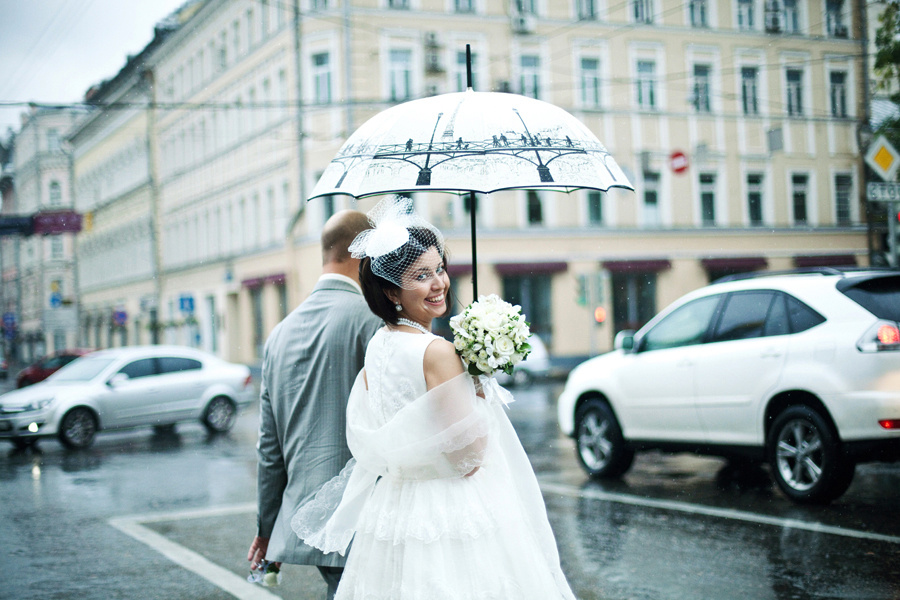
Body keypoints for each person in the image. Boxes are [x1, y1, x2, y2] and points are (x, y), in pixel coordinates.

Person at [291, 197, 577, 599]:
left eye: (439, 268)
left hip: (393, 505)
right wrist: (477, 391)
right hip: (448, 509)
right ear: (391, 290)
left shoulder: (379, 344)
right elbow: (469, 459)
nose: (439, 283)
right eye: (421, 276)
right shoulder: (438, 352)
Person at [247, 210, 383, 599]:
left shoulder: (278, 335)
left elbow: (269, 448)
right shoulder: (372, 320)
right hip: (365, 512)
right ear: (363, 254)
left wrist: (267, 528)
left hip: (306, 517)